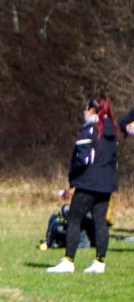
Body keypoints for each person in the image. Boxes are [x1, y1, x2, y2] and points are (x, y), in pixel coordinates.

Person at [48, 97, 119, 275]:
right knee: (100, 221)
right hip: (106, 184)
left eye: (86, 109)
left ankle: (68, 261)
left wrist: (72, 181)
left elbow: (82, 159)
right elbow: (113, 162)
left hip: (88, 184)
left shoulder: (89, 130)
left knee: (73, 219)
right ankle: (99, 262)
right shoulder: (113, 131)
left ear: (92, 111)